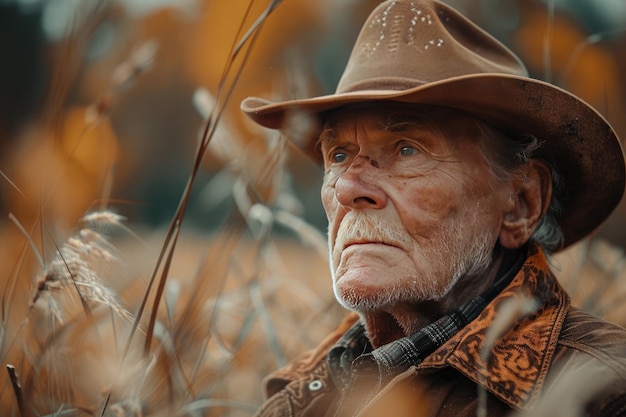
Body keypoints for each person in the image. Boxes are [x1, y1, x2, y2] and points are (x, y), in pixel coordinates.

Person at [240, 0, 626, 416]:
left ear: (521, 204)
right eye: (337, 155)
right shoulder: (301, 395)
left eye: (407, 149)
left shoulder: (603, 394)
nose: (348, 188)